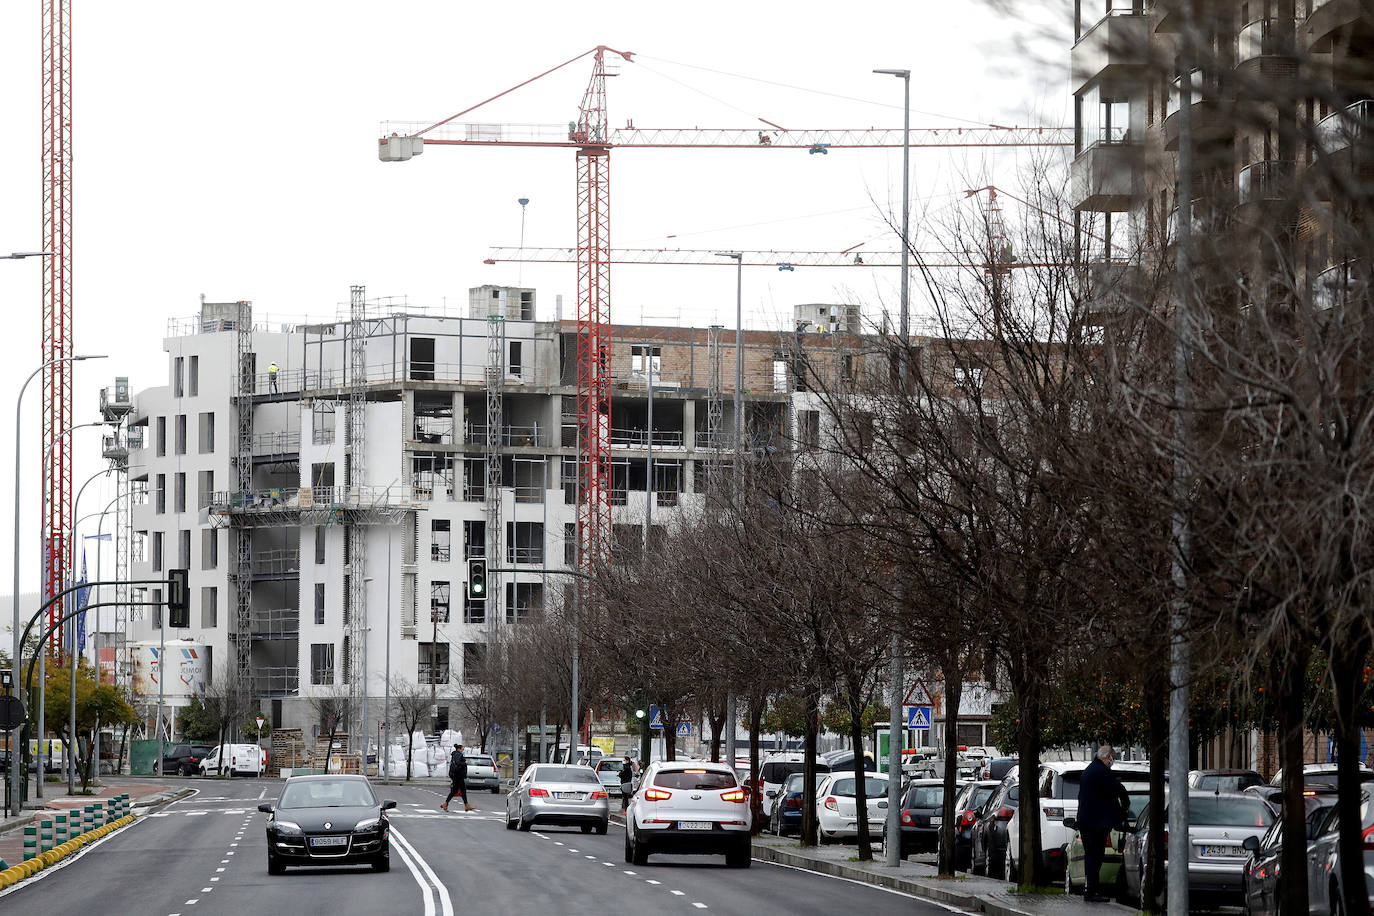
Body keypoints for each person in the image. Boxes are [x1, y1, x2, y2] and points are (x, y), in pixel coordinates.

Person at [1077, 744, 1130, 903]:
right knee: (1096, 856)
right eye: (1112, 757)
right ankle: (1092, 892)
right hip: (1096, 823)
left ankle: (1091, 889)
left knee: (1090, 855)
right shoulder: (1101, 772)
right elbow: (1116, 789)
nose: (1112, 761)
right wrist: (1123, 806)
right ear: (1107, 757)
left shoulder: (1090, 770)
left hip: (1086, 821)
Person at [441, 743, 473, 812]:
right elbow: (458, 763)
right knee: (459, 791)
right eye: (462, 749)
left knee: (458, 790)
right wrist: (465, 763)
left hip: (456, 775)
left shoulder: (455, 754)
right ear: (459, 749)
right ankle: (446, 803)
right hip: (458, 776)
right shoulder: (458, 754)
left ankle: (466, 805)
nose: (463, 751)